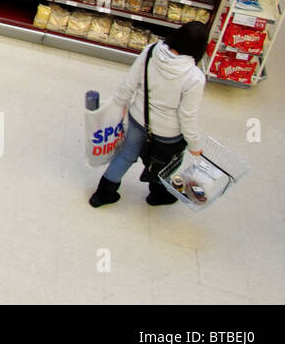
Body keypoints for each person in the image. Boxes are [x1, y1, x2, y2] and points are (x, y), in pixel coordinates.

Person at [89, 21, 207, 208]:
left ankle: (102, 194)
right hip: (168, 134)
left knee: (126, 154)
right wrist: (194, 144)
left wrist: (118, 106)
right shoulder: (195, 77)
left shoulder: (151, 51)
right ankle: (158, 195)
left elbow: (129, 84)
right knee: (165, 165)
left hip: (138, 118)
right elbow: (187, 116)